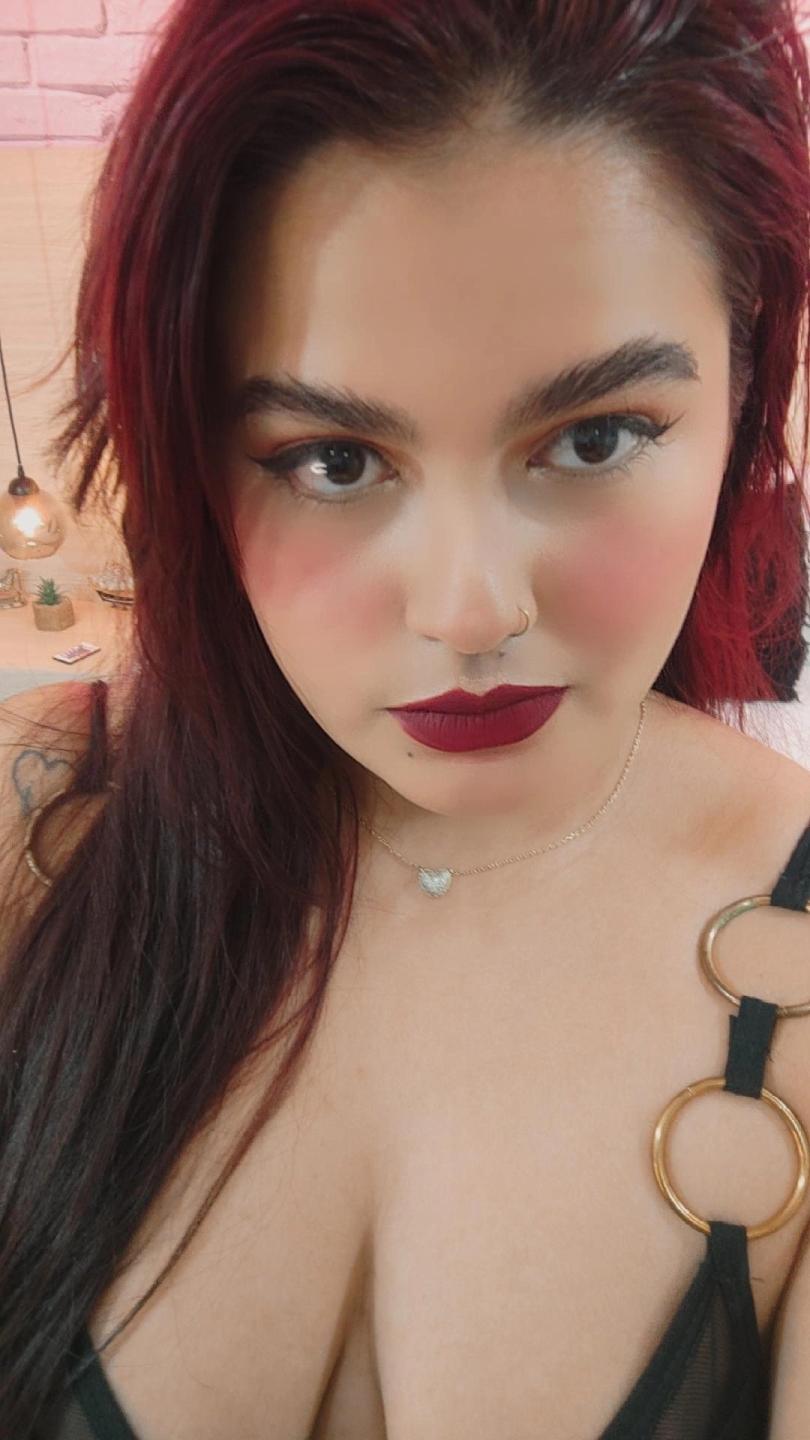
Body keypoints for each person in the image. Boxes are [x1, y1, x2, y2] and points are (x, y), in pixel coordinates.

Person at [3, 0, 810, 1436]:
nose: (469, 611)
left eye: (594, 438)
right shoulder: (36, 823)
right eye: (331, 459)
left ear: (744, 387)